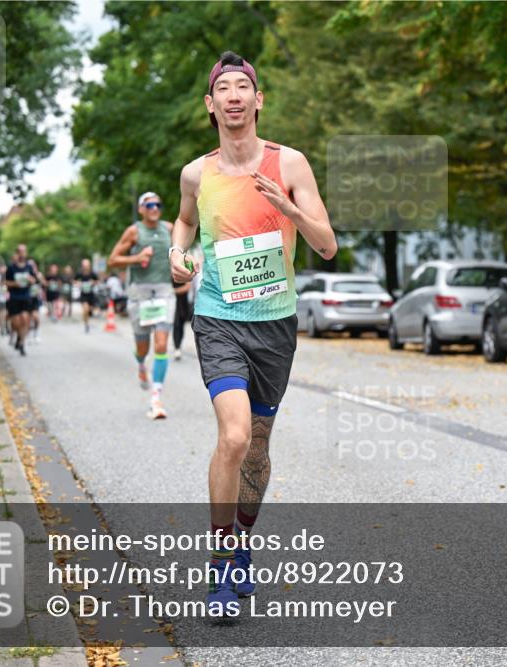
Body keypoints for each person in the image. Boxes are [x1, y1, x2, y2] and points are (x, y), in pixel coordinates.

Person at [169, 51, 337, 613]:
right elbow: (187, 220)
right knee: (235, 436)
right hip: (219, 318)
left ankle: (241, 544)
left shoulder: (290, 164)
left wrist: (287, 207)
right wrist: (178, 252)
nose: (235, 96)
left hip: (275, 324)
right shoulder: (197, 172)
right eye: (226, 89)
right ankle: (220, 569)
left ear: (258, 100)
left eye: (245, 87)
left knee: (258, 452)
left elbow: (327, 245)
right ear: (211, 104)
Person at [108, 192, 176, 419]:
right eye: (149, 205)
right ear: (141, 209)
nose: (154, 208)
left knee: (161, 344)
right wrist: (136, 259)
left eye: (157, 204)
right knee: (143, 348)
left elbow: (180, 251)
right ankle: (140, 364)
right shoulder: (134, 231)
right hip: (140, 292)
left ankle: (156, 396)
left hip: (164, 290)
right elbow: (113, 260)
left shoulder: (169, 228)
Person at [5, 244, 42, 356]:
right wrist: (15, 283)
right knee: (16, 322)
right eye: (20, 251)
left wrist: (32, 280)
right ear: (17, 253)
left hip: (26, 297)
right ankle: (19, 336)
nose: (22, 253)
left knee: (25, 319)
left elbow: (35, 280)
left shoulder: (29, 267)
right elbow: (6, 282)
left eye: (24, 251)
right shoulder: (11, 268)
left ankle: (21, 343)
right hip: (15, 297)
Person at [74, 259, 98, 334]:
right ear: (82, 266)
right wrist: (78, 283)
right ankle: (86, 324)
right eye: (84, 266)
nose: (86, 267)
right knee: (85, 309)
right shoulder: (80, 274)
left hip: (91, 294)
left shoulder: (92, 273)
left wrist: (93, 283)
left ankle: (87, 320)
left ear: (89, 266)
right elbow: (74, 281)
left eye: (87, 265)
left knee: (90, 310)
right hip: (83, 294)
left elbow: (97, 281)